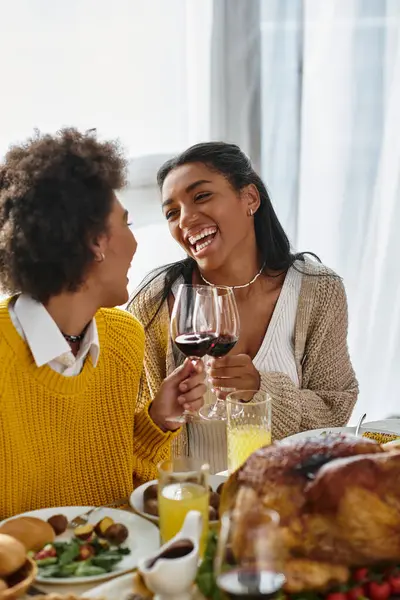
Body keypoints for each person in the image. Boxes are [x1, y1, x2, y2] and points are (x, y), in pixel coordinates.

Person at [0, 129, 205, 519]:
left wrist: (158, 421)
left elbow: (119, 487)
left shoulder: (123, 336)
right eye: (125, 224)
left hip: (120, 565)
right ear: (96, 241)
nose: (134, 243)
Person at [128, 142, 359, 474]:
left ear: (250, 198)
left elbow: (335, 411)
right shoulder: (154, 302)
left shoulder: (317, 290)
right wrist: (161, 416)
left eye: (201, 196)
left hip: (284, 507)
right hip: (193, 510)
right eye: (172, 212)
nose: (186, 219)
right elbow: (120, 433)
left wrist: (261, 391)